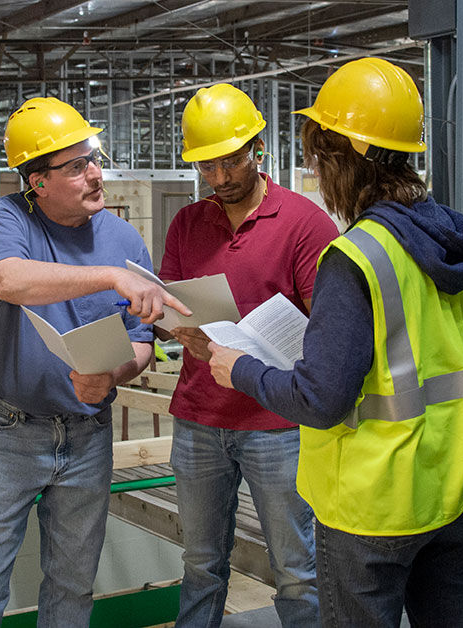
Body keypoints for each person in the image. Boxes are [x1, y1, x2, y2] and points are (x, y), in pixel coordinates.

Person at [207, 58, 463, 627]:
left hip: (375, 506)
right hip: (459, 485)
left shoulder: (355, 258)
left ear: (344, 162)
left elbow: (321, 398)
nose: (316, 174)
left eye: (318, 160)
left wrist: (241, 369)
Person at [0, 96, 190, 627]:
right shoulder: (6, 217)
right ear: (37, 181)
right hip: (6, 431)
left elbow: (143, 341)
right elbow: (9, 281)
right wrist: (111, 277)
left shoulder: (124, 239)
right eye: (77, 165)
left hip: (87, 434)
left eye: (95, 158)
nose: (95, 175)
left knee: (72, 589)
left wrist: (114, 374)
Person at [159, 83, 338, 627]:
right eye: (207, 168)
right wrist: (175, 329)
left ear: (258, 150)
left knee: (296, 568)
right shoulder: (188, 223)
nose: (219, 179)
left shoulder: (306, 223)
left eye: (231, 163)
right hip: (199, 418)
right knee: (200, 562)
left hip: (276, 421)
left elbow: (327, 325)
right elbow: (168, 303)